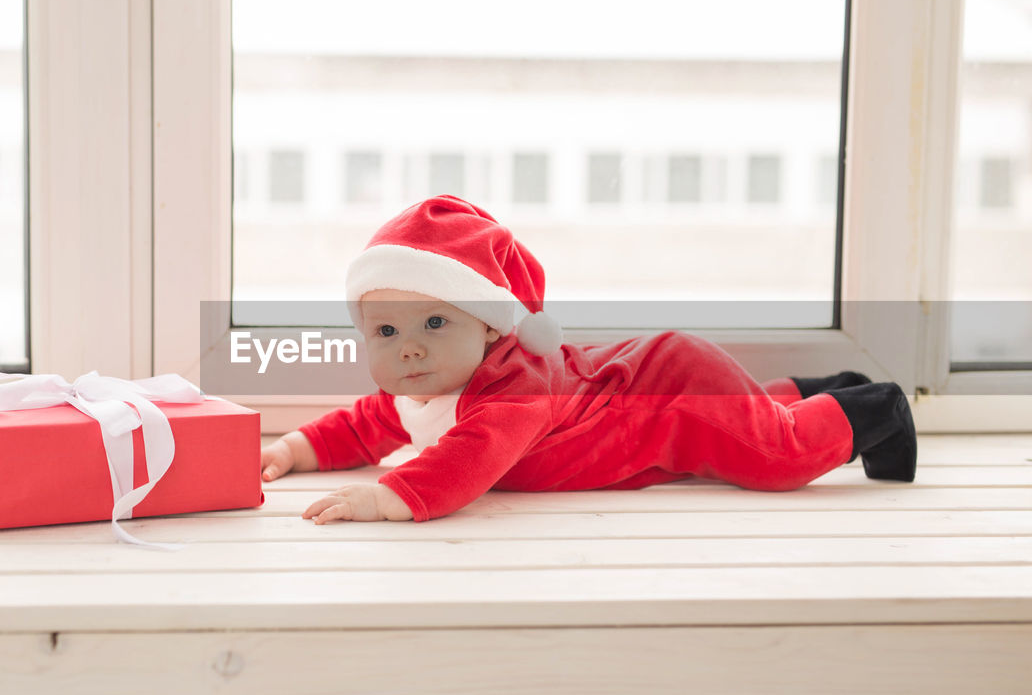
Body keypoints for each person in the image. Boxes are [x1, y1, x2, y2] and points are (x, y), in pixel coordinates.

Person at [259, 195, 917, 525]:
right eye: (385, 330)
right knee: (749, 419)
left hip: (671, 393)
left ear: (490, 328)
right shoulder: (421, 385)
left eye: (435, 322)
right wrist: (290, 450)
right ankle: (820, 388)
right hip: (657, 380)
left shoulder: (513, 392)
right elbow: (361, 423)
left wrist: (384, 498)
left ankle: (873, 408)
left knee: (779, 456)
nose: (410, 346)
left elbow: (470, 459)